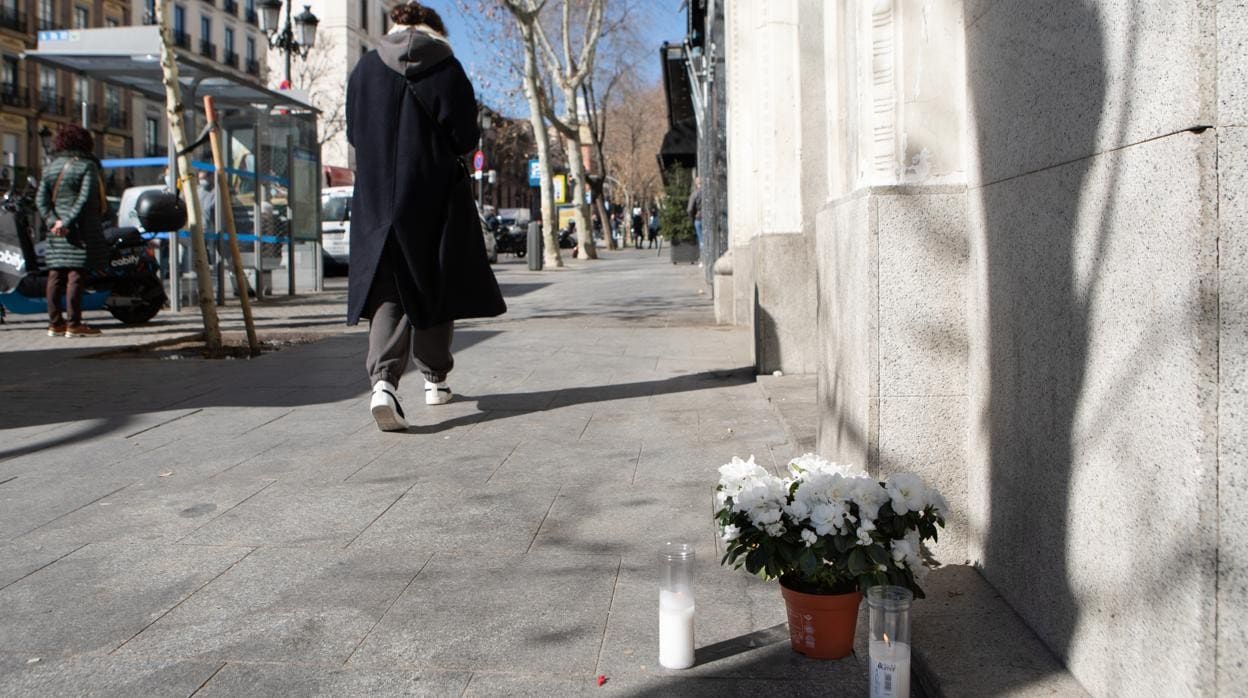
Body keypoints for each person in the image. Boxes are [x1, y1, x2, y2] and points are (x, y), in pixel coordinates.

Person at [346, 1, 506, 431]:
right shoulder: (447, 68)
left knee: (390, 289)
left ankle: (383, 383)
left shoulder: (364, 70)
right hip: (434, 193)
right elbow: (465, 136)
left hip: (377, 195)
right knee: (433, 282)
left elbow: (353, 133)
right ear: (434, 30)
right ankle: (435, 380)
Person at [36, 124, 109, 337]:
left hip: (56, 232)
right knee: (75, 275)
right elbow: (85, 199)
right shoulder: (87, 166)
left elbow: (40, 199)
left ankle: (55, 324)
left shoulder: (51, 167)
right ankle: (74, 324)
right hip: (79, 230)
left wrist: (53, 221)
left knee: (55, 275)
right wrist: (67, 222)